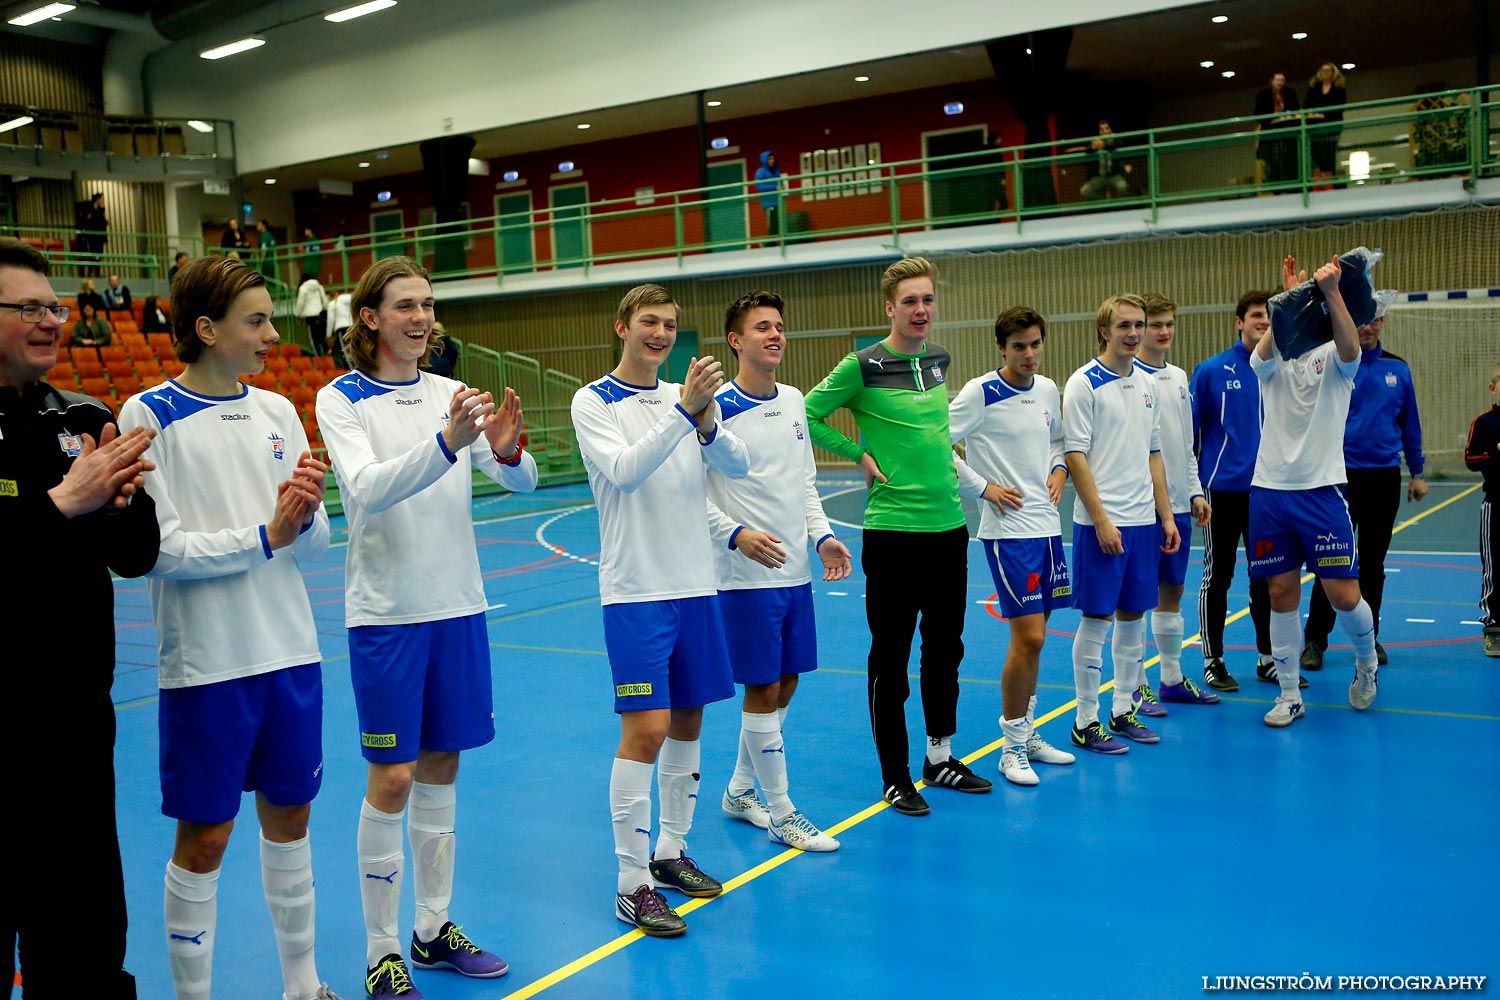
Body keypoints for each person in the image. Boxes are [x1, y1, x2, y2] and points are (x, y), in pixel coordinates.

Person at [117, 256, 340, 1000]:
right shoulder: (148, 414)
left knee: (292, 821)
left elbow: (316, 542)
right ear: (207, 330)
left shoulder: (277, 409)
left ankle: (304, 987)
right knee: (206, 838)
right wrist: (269, 533)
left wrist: (303, 520)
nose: (274, 334)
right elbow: (164, 551)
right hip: (208, 666)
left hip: (290, 653)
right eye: (258, 321)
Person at [316, 256, 535, 997]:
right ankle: (382, 950)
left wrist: (504, 447)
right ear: (369, 318)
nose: (421, 318)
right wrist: (447, 442)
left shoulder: (452, 392)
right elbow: (368, 490)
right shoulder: (340, 399)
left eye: (428, 304)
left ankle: (433, 929)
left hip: (458, 607)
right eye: (404, 305)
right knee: (394, 775)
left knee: (443, 767)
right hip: (387, 614)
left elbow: (518, 479)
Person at [0, 236, 159, 998]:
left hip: (73, 729)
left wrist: (118, 506)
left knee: (86, 941)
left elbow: (137, 554)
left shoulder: (84, 417)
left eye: (53, 306)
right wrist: (64, 503)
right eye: (26, 307)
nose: (49, 320)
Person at [570, 284, 749, 937]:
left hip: (695, 585)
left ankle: (669, 851)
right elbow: (622, 471)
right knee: (645, 730)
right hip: (636, 590)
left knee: (688, 723)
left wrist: (703, 420)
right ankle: (630, 882)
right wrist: (683, 413)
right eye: (649, 321)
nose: (661, 333)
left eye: (670, 324)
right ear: (622, 326)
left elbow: (739, 460)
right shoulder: (594, 400)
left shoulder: (688, 401)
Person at [804, 257, 992, 815]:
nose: (920, 310)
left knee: (945, 651)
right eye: (909, 301)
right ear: (890, 308)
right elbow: (808, 416)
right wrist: (856, 453)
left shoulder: (938, 361)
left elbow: (933, 437)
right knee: (890, 657)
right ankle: (896, 773)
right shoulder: (861, 365)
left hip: (949, 531)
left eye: (928, 300)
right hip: (892, 535)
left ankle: (940, 757)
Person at [708, 290, 849, 850]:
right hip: (746, 576)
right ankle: (784, 812)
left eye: (779, 327)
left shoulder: (793, 399)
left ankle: (741, 791)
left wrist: (825, 536)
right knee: (763, 686)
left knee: (786, 682)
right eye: (761, 327)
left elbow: (804, 484)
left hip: (795, 574)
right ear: (735, 341)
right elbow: (692, 496)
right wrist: (736, 535)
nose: (775, 335)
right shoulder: (714, 409)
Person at [948, 306, 1078, 786]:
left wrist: (1059, 468)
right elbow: (936, 441)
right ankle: (1011, 748)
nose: (1029, 354)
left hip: (1047, 529)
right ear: (1002, 348)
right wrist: (982, 487)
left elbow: (1057, 440)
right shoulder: (980, 392)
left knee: (1035, 641)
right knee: (1031, 638)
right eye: (1019, 346)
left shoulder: (1047, 390)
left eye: (1035, 344)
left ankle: (1026, 732)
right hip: (1008, 534)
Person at [1250, 255, 1380, 727]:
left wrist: (1330, 294)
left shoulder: (1336, 357)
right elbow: (1257, 358)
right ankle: (1288, 694)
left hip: (1322, 492)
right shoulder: (1275, 356)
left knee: (1344, 595)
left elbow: (1351, 349)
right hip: (1269, 492)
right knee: (1280, 592)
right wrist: (1289, 301)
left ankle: (1366, 663)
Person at [1063, 293, 1180, 754]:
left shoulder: (1148, 384)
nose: (1134, 333)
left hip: (1142, 522)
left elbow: (1154, 453)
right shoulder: (1083, 385)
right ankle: (1085, 720)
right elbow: (1075, 456)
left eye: (1139, 324)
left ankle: (1122, 708)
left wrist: (1165, 514)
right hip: (1102, 525)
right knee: (1096, 619)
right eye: (1125, 325)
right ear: (1104, 331)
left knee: (1134, 617)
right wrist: (1101, 520)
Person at [1302, 294, 1426, 670]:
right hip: (1337, 477)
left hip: (1384, 478)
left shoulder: (1398, 370)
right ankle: (1314, 641)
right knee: (1331, 560)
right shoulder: (1338, 365)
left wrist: (1417, 472)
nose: (1369, 327)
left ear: (1382, 323)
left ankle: (1369, 640)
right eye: (1362, 320)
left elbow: (1411, 426)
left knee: (1373, 562)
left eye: (1375, 320)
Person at [1134, 294, 1220, 710]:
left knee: (1173, 590)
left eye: (1169, 323)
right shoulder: (1127, 376)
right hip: (1137, 508)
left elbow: (1186, 443)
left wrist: (1195, 490)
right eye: (1155, 324)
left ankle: (1171, 677)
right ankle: (1134, 685)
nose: (1164, 331)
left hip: (1179, 507)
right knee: (1133, 597)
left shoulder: (1180, 376)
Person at [1189, 291, 1277, 693]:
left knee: (1266, 577)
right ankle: (1213, 661)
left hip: (1267, 493)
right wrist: (1193, 489)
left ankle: (1268, 659)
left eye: (1269, 316)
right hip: (1221, 492)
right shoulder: (1211, 371)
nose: (1264, 321)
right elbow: (1189, 434)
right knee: (1218, 576)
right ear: (1239, 321)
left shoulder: (1279, 368)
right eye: (1257, 315)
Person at [1464, 361, 1500, 657]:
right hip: (1495, 505)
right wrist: (1495, 452)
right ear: (1493, 389)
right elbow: (1471, 459)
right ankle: (1494, 627)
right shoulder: (1485, 423)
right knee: (1494, 569)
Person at [1254, 72, 1303, 184]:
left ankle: (1292, 184)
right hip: (1270, 130)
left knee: (1289, 158)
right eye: (1278, 80)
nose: (1280, 83)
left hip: (1288, 130)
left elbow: (1295, 110)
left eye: (1282, 80)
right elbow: (1258, 114)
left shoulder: (1290, 93)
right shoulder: (1263, 95)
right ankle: (1276, 185)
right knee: (1272, 160)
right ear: (1272, 81)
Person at [1303, 62, 1348, 177]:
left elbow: (1340, 106)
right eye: (1324, 70)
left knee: (1329, 151)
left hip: (1332, 124)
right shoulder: (1314, 88)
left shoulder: (1338, 88)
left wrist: (1324, 115)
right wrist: (1312, 114)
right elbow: (1306, 105)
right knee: (1316, 151)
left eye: (1329, 70)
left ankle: (1330, 175)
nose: (1326, 73)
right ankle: (1322, 173)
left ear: (1333, 73)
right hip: (1315, 125)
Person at [1075, 119, 1129, 200]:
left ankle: (1120, 208)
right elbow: (1087, 149)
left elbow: (1120, 144)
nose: (1105, 131)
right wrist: (1093, 147)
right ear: (1099, 131)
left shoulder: (1116, 138)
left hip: (1115, 175)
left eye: (1107, 128)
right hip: (1099, 177)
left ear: (1110, 129)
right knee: (1085, 191)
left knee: (1122, 187)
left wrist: (1104, 145)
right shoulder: (1095, 140)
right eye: (1102, 129)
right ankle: (1104, 205)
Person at [295, 271, 330, 356]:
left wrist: (298, 315)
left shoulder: (303, 288)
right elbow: (325, 301)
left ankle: (318, 356)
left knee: (313, 338)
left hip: (310, 316)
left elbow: (301, 303)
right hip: (321, 314)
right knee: (321, 335)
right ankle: (326, 350)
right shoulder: (319, 287)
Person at [76, 192, 108, 273]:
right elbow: (88, 220)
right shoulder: (89, 208)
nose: (103, 200)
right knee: (92, 253)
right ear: (98, 199)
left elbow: (102, 220)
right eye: (102, 198)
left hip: (100, 236)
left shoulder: (101, 209)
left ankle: (97, 271)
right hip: (92, 236)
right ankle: (90, 271)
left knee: (99, 254)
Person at [754, 151, 782, 241]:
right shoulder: (760, 172)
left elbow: (780, 182)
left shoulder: (776, 170)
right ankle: (768, 245)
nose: (772, 160)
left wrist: (781, 186)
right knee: (772, 226)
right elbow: (760, 187)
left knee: (778, 226)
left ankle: (774, 245)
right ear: (765, 160)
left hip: (778, 201)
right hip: (768, 203)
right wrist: (775, 187)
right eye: (769, 159)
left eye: (773, 158)